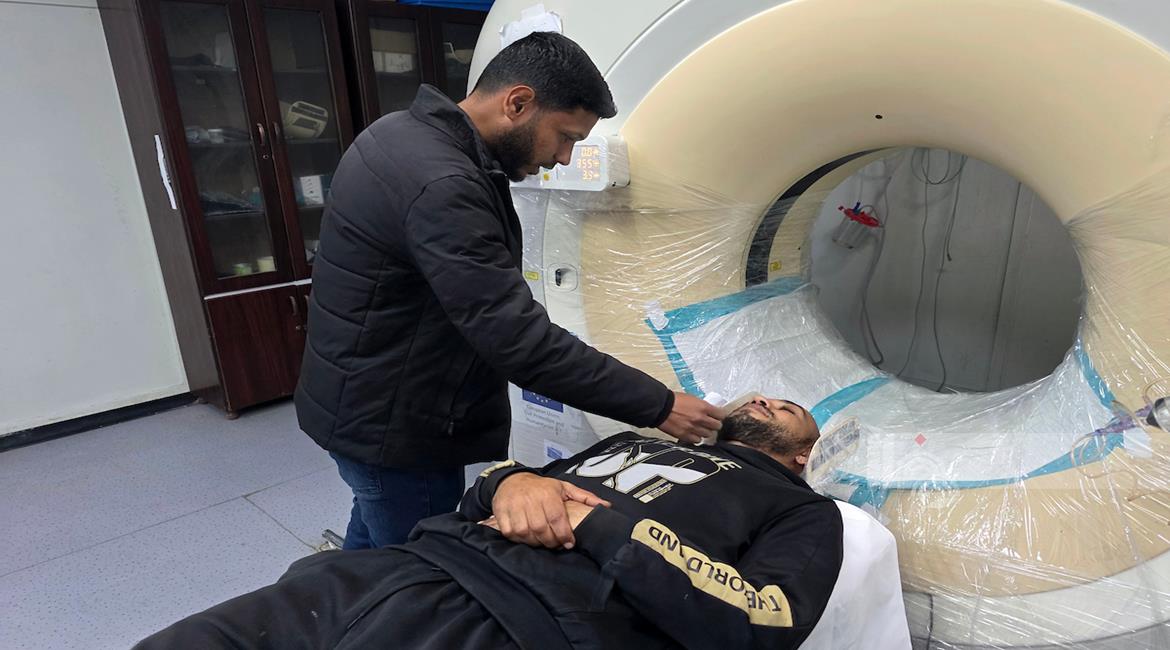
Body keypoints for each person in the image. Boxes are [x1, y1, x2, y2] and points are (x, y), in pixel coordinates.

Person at [295, 31, 722, 550]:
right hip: (394, 425)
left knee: (374, 523)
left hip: (360, 395)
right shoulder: (443, 184)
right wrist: (660, 405)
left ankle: (348, 577)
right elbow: (519, 341)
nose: (564, 157)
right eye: (564, 136)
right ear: (518, 103)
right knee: (413, 562)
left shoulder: (399, 132)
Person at [135, 396, 842, 650]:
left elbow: (764, 621)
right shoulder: (639, 442)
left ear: (804, 454)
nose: (762, 400)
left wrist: (597, 527)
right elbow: (490, 492)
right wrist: (512, 480)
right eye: (759, 396)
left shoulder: (801, 509)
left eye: (784, 408)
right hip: (407, 567)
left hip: (529, 620)